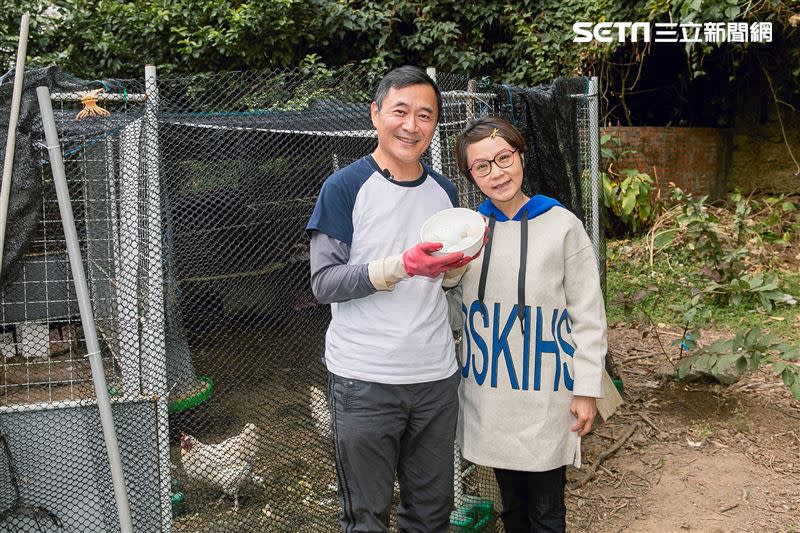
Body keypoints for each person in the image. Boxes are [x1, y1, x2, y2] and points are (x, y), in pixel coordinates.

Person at [306, 66, 478, 533]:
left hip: (435, 377)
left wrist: (456, 265)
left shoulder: (443, 191)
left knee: (430, 514)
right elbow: (324, 281)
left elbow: (442, 283)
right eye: (400, 111)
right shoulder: (344, 187)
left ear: (435, 125)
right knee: (366, 518)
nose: (411, 125)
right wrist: (402, 266)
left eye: (425, 115)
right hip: (365, 379)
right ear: (376, 114)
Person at [452, 116, 607, 533]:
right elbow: (450, 301)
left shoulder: (563, 226)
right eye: (481, 166)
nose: (496, 172)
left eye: (503, 157)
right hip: (491, 392)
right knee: (513, 510)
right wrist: (446, 268)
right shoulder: (468, 231)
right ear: (470, 176)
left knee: (546, 512)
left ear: (520, 155)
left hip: (546, 393)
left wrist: (587, 388)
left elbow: (588, 314)